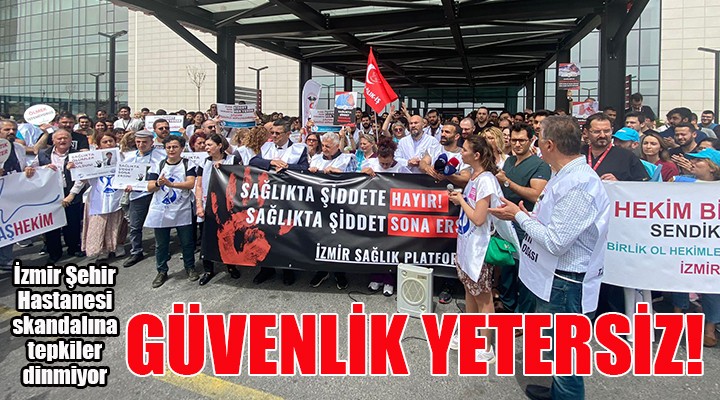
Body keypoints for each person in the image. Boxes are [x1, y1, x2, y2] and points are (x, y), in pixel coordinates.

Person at [489, 115, 610, 400]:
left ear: (550, 144)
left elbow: (557, 242)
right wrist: (528, 216)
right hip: (555, 276)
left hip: (568, 282)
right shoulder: (564, 174)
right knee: (557, 348)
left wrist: (518, 217)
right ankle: (557, 392)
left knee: (566, 355)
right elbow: (555, 223)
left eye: (538, 139)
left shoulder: (579, 183)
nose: (536, 145)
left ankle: (566, 395)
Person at [447, 134, 519, 363]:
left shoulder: (486, 180)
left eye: (465, 150)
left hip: (479, 248)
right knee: (470, 291)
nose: (461, 152)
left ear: (476, 155)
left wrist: (461, 201)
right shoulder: (475, 176)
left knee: (484, 298)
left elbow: (479, 218)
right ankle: (469, 333)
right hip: (467, 245)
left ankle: (486, 347)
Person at [494, 122, 551, 314]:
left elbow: (536, 195)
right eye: (514, 140)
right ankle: (507, 305)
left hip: (525, 222)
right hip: (505, 222)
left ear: (531, 140)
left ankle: (524, 314)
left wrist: (507, 182)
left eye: (522, 140)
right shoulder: (509, 161)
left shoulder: (540, 165)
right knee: (507, 266)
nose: (517, 144)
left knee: (525, 270)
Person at [249, 119, 309, 285]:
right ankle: (266, 269)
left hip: (288, 199)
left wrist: (287, 166)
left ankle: (287, 270)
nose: (274, 136)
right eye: (272, 133)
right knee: (264, 233)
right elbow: (253, 161)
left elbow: (304, 168)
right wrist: (270, 162)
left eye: (278, 133)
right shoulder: (267, 147)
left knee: (286, 234)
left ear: (288, 134)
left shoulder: (299, 149)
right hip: (267, 198)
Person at [671, 148, 720, 347]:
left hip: (712, 243)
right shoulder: (682, 181)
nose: (693, 163)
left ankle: (710, 327)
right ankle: (676, 320)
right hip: (685, 240)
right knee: (678, 279)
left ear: (712, 167)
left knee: (712, 284)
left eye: (699, 161)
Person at [24, 129, 87, 263]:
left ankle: (73, 248)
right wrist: (43, 168)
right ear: (53, 141)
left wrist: (72, 194)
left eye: (65, 138)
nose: (62, 141)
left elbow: (82, 177)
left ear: (71, 141)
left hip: (70, 192)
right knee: (52, 225)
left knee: (73, 223)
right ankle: (54, 253)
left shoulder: (77, 155)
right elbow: (32, 170)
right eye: (59, 138)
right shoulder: (43, 154)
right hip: (49, 194)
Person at [145, 135, 198, 288]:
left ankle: (190, 267)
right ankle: (161, 270)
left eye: (175, 147)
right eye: (168, 147)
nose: (171, 150)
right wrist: (158, 183)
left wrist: (171, 184)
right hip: (161, 209)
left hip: (182, 208)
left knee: (187, 242)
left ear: (182, 148)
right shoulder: (158, 165)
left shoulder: (188, 164)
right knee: (161, 244)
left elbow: (190, 184)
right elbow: (149, 187)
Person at [361, 136, 410, 295]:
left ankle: (389, 280)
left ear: (393, 157)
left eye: (388, 164)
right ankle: (376, 277)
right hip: (374, 211)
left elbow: (412, 184)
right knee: (376, 245)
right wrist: (363, 172)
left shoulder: (400, 167)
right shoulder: (371, 163)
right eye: (382, 163)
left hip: (394, 212)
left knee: (391, 247)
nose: (385, 166)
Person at [195, 133, 241, 285]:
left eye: (210, 145)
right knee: (207, 237)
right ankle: (208, 269)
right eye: (205, 145)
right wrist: (199, 205)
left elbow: (240, 180)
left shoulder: (232, 160)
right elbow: (199, 185)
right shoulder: (204, 162)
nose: (206, 148)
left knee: (228, 236)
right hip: (207, 205)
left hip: (226, 205)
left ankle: (231, 266)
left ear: (220, 146)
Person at [74, 132, 126, 260]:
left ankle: (117, 245)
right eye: (105, 142)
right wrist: (74, 169)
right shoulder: (91, 159)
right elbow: (82, 178)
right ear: (99, 145)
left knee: (118, 222)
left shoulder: (123, 156)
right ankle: (102, 248)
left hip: (117, 195)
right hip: (98, 196)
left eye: (110, 141)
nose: (108, 144)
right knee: (98, 223)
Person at [122, 130, 167, 268]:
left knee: (159, 223)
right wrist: (125, 185)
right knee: (135, 225)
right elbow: (123, 176)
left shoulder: (161, 155)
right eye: (138, 142)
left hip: (156, 193)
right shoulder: (129, 157)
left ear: (151, 142)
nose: (141, 145)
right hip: (137, 195)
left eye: (144, 142)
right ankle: (136, 251)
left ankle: (162, 248)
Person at [0, 119, 24, 270]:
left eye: (14, 130)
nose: (11, 132)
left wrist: (29, 170)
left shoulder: (19, 148)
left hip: (12, 193)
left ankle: (5, 259)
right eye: (7, 129)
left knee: (8, 225)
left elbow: (23, 166)